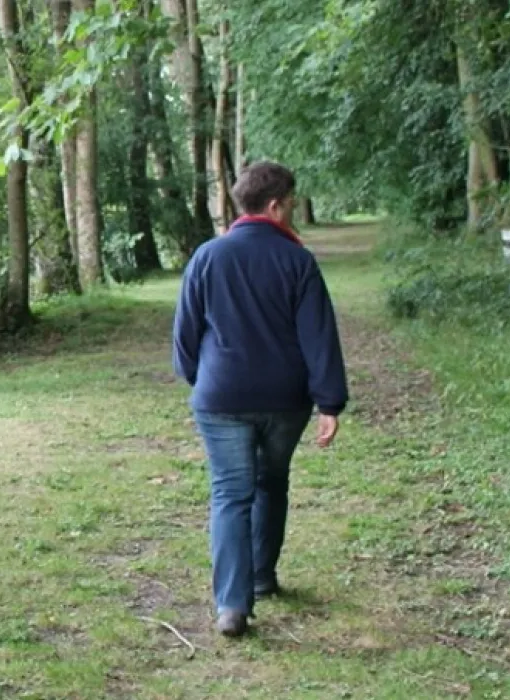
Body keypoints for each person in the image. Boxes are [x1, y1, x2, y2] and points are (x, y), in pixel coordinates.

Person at [172, 161, 349, 638]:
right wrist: (329, 402)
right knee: (271, 482)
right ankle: (262, 576)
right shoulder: (297, 261)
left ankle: (232, 605)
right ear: (273, 206)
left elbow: (186, 332)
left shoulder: (208, 256)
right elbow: (319, 337)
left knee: (231, 493)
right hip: (285, 400)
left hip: (222, 396)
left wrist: (198, 377)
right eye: (290, 203)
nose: (291, 210)